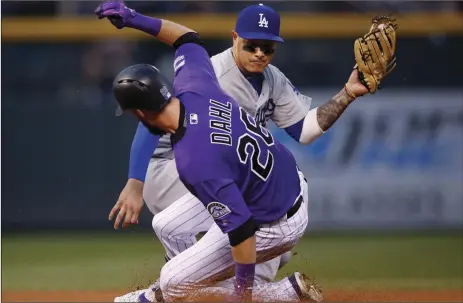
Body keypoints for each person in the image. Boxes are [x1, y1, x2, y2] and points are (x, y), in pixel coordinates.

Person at [95, 1, 369, 301]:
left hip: (275, 219)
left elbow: (242, 231)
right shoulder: (198, 81)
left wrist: (243, 295)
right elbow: (186, 38)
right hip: (270, 180)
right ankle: (192, 287)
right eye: (252, 45)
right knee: (166, 225)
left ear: (141, 114)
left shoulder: (194, 159)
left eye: (267, 48)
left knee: (173, 282)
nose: (260, 53)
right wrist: (134, 19)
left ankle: (281, 292)